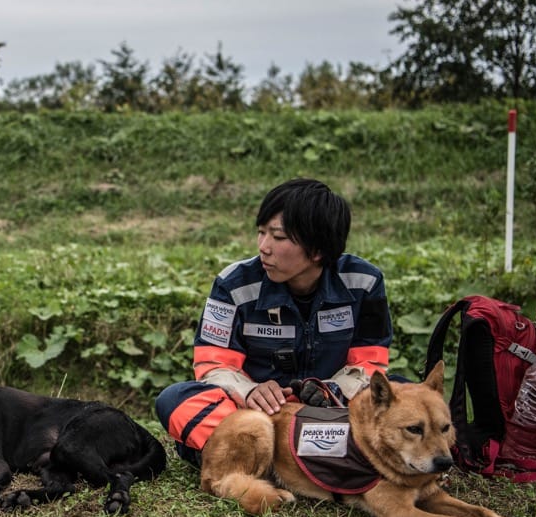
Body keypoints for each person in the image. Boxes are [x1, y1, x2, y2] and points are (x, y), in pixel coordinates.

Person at [154, 178, 393, 467]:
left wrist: (331, 390)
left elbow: (371, 363)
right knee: (175, 400)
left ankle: (253, 456)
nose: (263, 247)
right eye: (261, 232)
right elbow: (213, 366)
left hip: (332, 411)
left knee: (402, 394)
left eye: (278, 237)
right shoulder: (233, 285)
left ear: (317, 249)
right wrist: (250, 391)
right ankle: (315, 455)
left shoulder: (364, 282)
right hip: (257, 417)